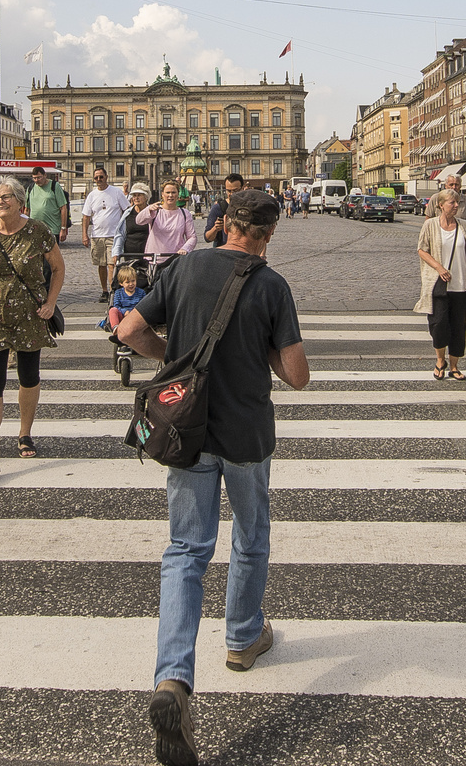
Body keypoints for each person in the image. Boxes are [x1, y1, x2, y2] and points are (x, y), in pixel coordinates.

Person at [113, 190, 308, 766]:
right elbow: (296, 374)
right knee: (250, 538)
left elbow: (127, 331)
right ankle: (244, 637)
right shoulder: (271, 286)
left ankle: (173, 679)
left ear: (223, 225)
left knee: (185, 551)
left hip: (187, 431)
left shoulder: (183, 268)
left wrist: (174, 355)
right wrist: (263, 348)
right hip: (246, 434)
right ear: (266, 235)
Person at [0, 175, 63, 472]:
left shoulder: (37, 231)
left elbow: (57, 268)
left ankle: (24, 433)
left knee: (28, 376)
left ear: (20, 201)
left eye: (5, 197)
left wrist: (50, 302)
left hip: (30, 315)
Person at [415, 188, 466, 381]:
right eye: (452, 203)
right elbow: (422, 250)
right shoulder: (430, 225)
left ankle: (454, 366)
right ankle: (440, 361)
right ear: (441, 205)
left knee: (458, 326)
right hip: (438, 284)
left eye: (457, 203)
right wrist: (439, 268)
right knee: (439, 324)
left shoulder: (464, 225)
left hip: (461, 284)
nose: (456, 206)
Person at [81, 167, 133, 302]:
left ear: (106, 177)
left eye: (101, 177)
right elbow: (86, 216)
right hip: (97, 235)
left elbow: (127, 210)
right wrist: (84, 235)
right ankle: (104, 290)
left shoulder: (116, 192)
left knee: (112, 264)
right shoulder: (92, 195)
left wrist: (126, 229)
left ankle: (112, 291)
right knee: (101, 264)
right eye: (96, 177)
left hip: (113, 235)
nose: (99, 180)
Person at [138, 180, 197, 256]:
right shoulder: (155, 211)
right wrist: (148, 209)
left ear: (178, 194)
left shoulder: (185, 213)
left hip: (176, 258)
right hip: (155, 258)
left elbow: (192, 237)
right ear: (162, 194)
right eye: (168, 192)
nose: (170, 195)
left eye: (173, 192)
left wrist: (185, 248)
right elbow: (139, 221)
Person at [26, 165, 71, 245]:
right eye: (34, 178)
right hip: (35, 230)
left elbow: (63, 208)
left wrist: (63, 228)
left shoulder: (54, 186)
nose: (37, 180)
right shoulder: (30, 188)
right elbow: (27, 210)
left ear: (45, 175)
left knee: (51, 256)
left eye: (39, 177)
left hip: (52, 230)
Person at [98, 263, 148, 331]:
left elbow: (144, 305)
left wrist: (133, 313)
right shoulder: (118, 293)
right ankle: (116, 327)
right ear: (121, 283)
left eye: (133, 281)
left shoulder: (141, 292)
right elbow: (117, 306)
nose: (131, 284)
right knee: (112, 310)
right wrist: (125, 312)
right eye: (127, 282)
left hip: (136, 315)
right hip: (122, 315)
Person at [203, 173, 246, 248]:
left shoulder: (249, 206)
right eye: (229, 191)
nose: (232, 194)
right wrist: (215, 228)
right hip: (223, 253)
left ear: (242, 188)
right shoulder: (218, 208)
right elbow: (207, 238)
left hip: (245, 252)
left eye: (236, 191)